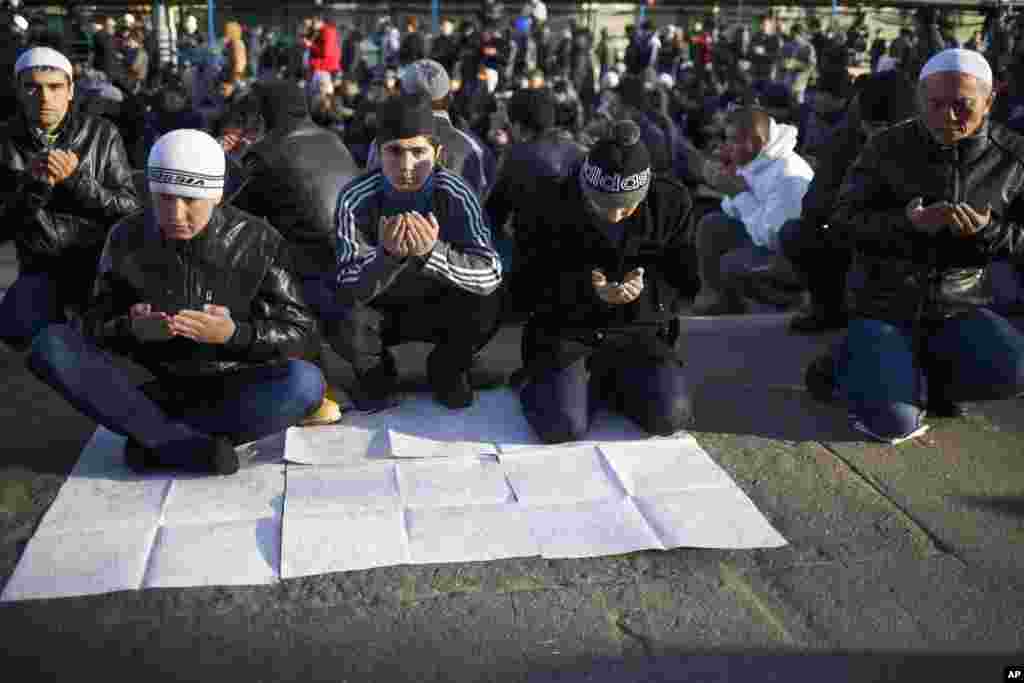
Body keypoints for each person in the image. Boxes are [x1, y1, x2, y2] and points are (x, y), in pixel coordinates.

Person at [27, 129, 324, 475]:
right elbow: (93, 325)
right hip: (149, 385)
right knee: (52, 344)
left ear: (215, 195)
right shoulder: (125, 235)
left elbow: (302, 333)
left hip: (231, 386)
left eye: (189, 201)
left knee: (305, 383)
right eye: (164, 199)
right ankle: (178, 443)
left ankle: (156, 440)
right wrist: (131, 329)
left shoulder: (259, 241)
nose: (175, 213)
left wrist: (234, 334)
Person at [811, 49, 1024, 442]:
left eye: (962, 105)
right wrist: (906, 224)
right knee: (894, 424)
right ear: (919, 99)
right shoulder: (885, 146)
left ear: (990, 100)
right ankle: (845, 363)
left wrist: (988, 232)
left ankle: (923, 378)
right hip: (882, 308)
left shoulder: (1014, 157)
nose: (947, 116)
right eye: (935, 104)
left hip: (959, 310)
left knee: (1015, 370)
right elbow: (839, 221)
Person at [513, 120, 696, 443]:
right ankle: (561, 384)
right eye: (600, 204)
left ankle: (604, 383)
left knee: (671, 416)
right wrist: (587, 290)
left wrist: (644, 291)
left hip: (640, 331)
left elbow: (686, 282)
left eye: (627, 207)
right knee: (561, 426)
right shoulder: (545, 202)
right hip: (568, 330)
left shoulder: (671, 202)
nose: (613, 216)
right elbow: (524, 288)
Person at [326, 94, 503, 410]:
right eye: (394, 151)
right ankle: (378, 374)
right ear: (378, 152)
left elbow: (490, 271)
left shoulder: (455, 192)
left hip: (440, 302)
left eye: (418, 152)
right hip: (382, 308)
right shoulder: (355, 197)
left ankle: (447, 368)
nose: (407, 166)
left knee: (490, 300)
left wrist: (432, 254)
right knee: (335, 308)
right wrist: (387, 257)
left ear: (437, 153)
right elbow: (348, 281)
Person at [230, 79, 361, 424]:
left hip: (311, 269)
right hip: (356, 256)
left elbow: (232, 215)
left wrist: (230, 159)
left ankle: (316, 388)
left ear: (264, 114)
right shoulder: (332, 139)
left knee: (249, 269)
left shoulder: (265, 153)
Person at [0, 47, 140, 351]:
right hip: (40, 270)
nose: (45, 97)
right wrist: (33, 188)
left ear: (71, 90)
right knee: (22, 334)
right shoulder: (5, 141)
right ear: (18, 90)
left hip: (98, 267)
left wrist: (77, 180)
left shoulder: (101, 133)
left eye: (55, 87)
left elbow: (129, 210)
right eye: (33, 87)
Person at [781, 70, 917, 334]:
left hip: (907, 241)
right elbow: (815, 204)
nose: (879, 137)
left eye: (887, 128)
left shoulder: (926, 143)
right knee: (796, 233)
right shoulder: (845, 141)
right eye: (873, 128)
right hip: (853, 231)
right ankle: (828, 310)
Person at [691, 107, 813, 315]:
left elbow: (775, 237)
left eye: (733, 140)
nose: (727, 147)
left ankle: (791, 299)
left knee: (730, 265)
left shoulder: (787, 174)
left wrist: (738, 194)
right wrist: (727, 181)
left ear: (756, 142)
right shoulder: (756, 160)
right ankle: (718, 299)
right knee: (711, 225)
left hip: (789, 258)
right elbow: (734, 214)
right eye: (726, 139)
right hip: (762, 238)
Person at [367, 59, 493, 200]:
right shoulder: (475, 149)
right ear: (449, 98)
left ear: (401, 96)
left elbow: (370, 197)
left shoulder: (382, 144)